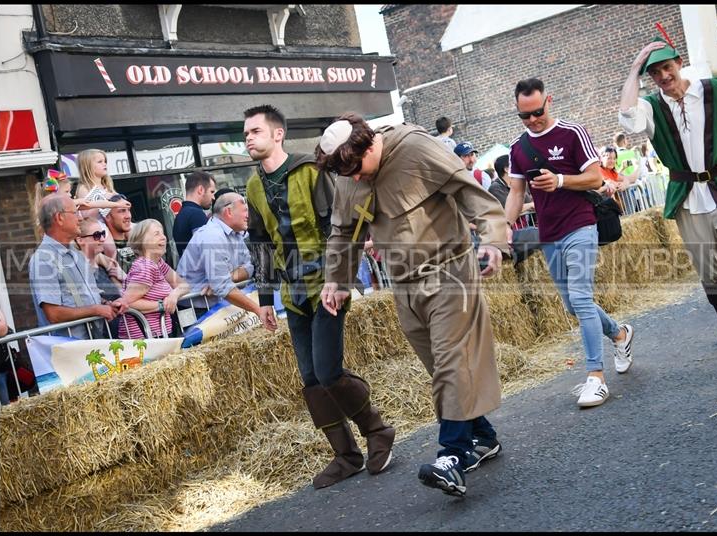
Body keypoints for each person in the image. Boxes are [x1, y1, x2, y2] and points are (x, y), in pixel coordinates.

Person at [315, 112, 508, 497]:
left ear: (370, 144)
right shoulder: (348, 172)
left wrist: (493, 239)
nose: (353, 179)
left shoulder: (417, 147)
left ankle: (452, 456)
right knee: (440, 365)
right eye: (345, 174)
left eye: (356, 169)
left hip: (449, 270)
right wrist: (337, 281)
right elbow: (343, 231)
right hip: (403, 284)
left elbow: (470, 191)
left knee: (452, 357)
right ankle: (483, 435)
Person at [243, 105, 395, 490]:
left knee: (329, 371)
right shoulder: (253, 186)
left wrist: (339, 278)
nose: (248, 138)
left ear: (278, 134)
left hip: (326, 282)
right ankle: (346, 456)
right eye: (246, 133)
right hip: (293, 293)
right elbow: (260, 244)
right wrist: (264, 299)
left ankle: (377, 431)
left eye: (255, 131)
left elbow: (337, 224)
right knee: (311, 379)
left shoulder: (310, 169)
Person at [618, 38, 717, 346]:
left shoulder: (715, 90)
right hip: (687, 195)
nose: (663, 76)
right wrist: (636, 67)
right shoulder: (650, 107)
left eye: (667, 67)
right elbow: (626, 116)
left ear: (678, 62)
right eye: (655, 73)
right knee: (709, 269)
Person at [504, 78, 635, 409]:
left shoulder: (573, 133)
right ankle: (619, 334)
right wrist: (504, 225)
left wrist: (560, 180)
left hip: (581, 224)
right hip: (548, 233)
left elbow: (595, 177)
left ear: (549, 101)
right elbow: (516, 193)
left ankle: (596, 377)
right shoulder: (517, 148)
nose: (532, 120)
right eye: (524, 116)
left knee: (580, 295)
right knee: (573, 305)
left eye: (537, 112)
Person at [28, 194, 127, 339]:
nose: (80, 218)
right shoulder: (42, 259)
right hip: (68, 351)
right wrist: (96, 310)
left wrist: (108, 305)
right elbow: (53, 314)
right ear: (59, 218)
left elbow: (87, 297)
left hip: (90, 346)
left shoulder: (77, 255)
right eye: (75, 213)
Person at [177, 192, 255, 320]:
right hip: (195, 311)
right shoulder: (211, 236)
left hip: (216, 305)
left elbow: (249, 268)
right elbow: (221, 286)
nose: (248, 216)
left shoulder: (235, 234)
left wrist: (227, 278)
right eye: (245, 211)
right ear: (229, 212)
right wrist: (258, 310)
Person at [118, 219, 190, 339]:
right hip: (144, 338)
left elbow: (184, 285)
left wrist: (174, 296)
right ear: (142, 241)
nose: (163, 237)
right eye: (157, 234)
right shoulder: (145, 266)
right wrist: (162, 305)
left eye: (163, 233)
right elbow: (128, 303)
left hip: (158, 333)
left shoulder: (158, 263)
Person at [32, 169, 131, 237]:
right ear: (55, 193)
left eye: (70, 192)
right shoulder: (51, 208)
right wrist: (79, 201)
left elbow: (94, 204)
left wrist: (117, 204)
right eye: (66, 192)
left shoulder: (69, 205)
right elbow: (90, 204)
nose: (70, 195)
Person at [74, 148, 125, 259]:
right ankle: (113, 270)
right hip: (98, 223)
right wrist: (104, 202)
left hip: (113, 221)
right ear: (88, 167)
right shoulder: (84, 188)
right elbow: (86, 215)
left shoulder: (107, 185)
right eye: (100, 162)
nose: (104, 164)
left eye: (105, 161)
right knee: (111, 249)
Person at [173, 171, 216, 258]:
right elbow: (207, 252)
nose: (213, 197)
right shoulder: (196, 214)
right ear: (200, 190)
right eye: (211, 192)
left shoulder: (181, 214)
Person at [105, 193, 136, 275]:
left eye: (128, 210)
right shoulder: (104, 249)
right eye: (122, 211)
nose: (128, 216)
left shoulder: (137, 243)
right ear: (108, 216)